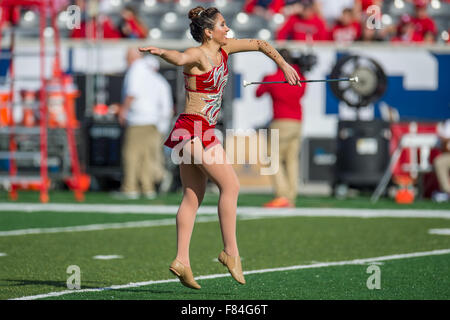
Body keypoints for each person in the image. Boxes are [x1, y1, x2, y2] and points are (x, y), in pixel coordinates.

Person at [139, 6, 302, 290]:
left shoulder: (225, 49)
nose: (228, 29)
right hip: (193, 130)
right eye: (223, 25)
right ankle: (231, 252)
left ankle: (182, 260)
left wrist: (284, 65)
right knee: (231, 186)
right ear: (208, 32)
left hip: (200, 131)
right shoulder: (198, 55)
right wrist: (161, 52)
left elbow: (261, 44)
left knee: (192, 197)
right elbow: (179, 57)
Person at [117, 47, 173, 200]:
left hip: (138, 120)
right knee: (148, 158)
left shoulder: (136, 70)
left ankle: (130, 187)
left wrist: (123, 110)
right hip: (153, 123)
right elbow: (167, 107)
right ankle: (148, 188)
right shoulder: (158, 79)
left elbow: (131, 93)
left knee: (131, 155)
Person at [255, 49, 307, 208]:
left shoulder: (272, 78)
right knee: (291, 160)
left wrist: (265, 80)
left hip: (281, 121)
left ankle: (282, 196)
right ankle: (291, 197)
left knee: (273, 158)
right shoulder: (301, 78)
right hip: (297, 122)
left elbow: (258, 93)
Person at [432, 119, 450, 202]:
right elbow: (444, 143)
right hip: (448, 155)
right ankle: (448, 192)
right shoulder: (448, 123)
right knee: (439, 162)